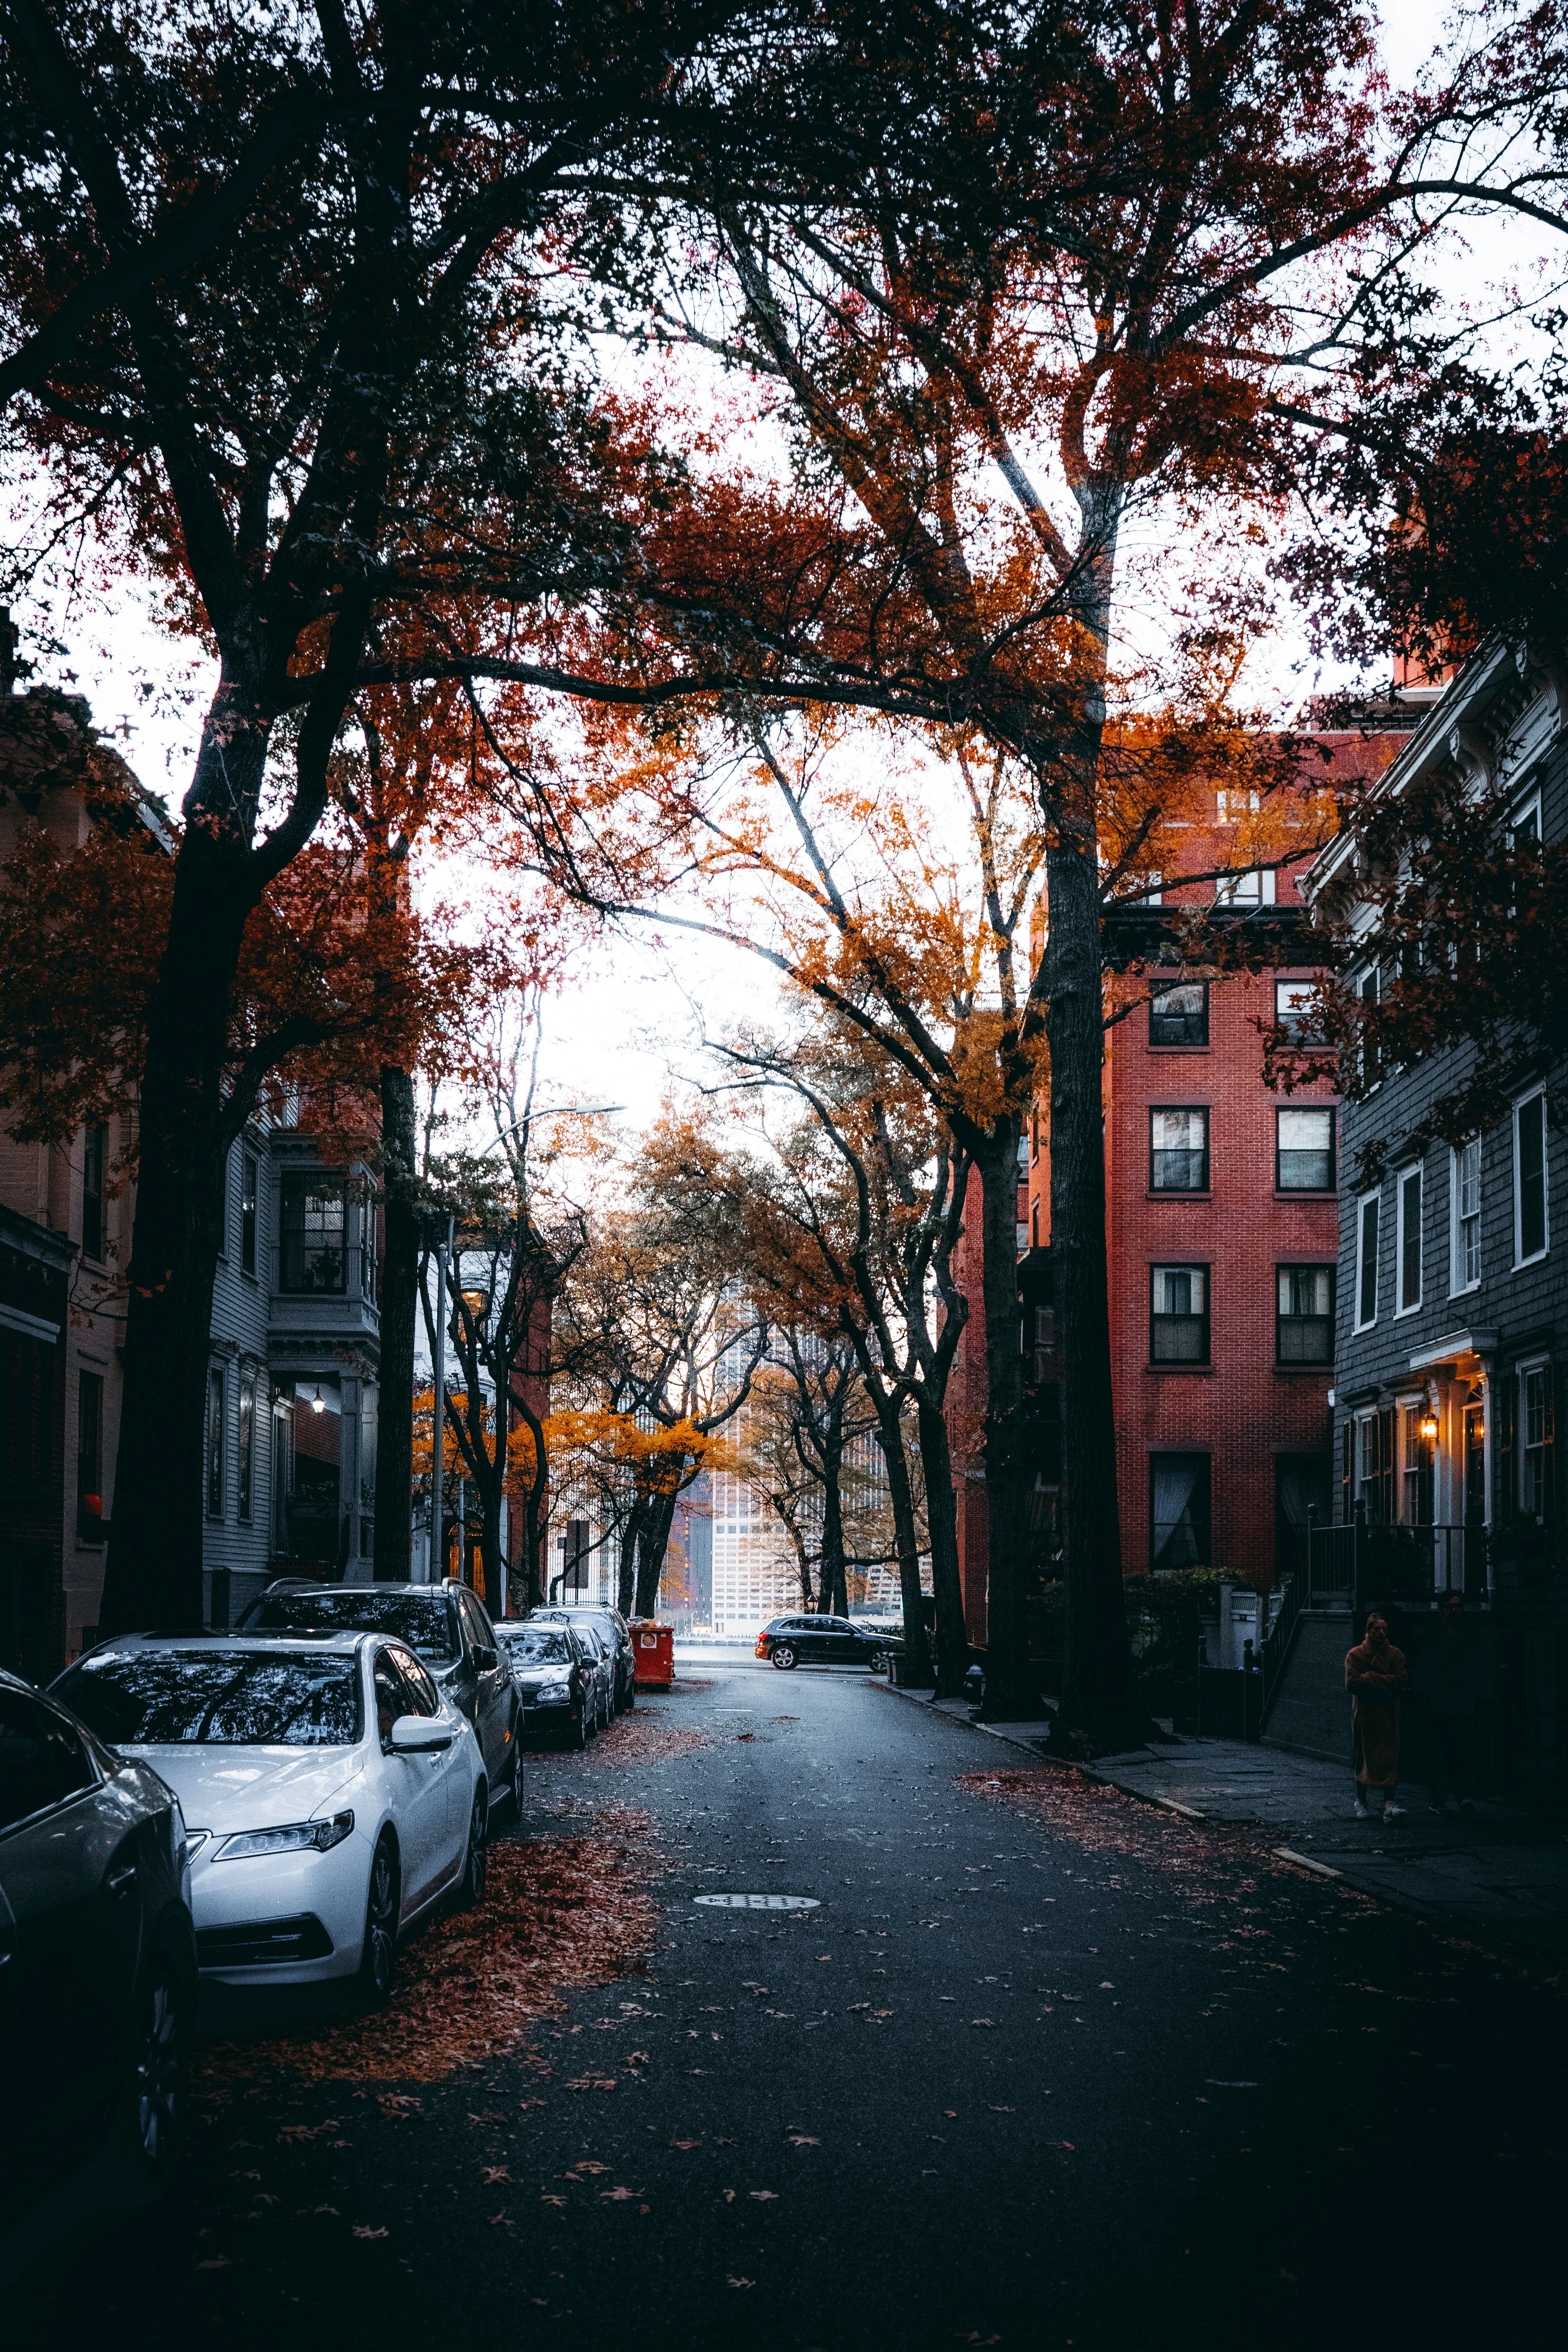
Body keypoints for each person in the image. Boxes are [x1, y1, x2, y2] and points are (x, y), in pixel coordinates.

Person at [1411, 1590, 1483, 1813]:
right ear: (1442, 1609)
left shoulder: (1470, 1634)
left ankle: (1459, 1796)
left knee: (1461, 1748)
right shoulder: (1430, 1634)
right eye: (1450, 1607)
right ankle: (1443, 1797)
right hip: (1439, 1700)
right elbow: (1421, 1666)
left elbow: (1478, 1665)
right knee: (1442, 1748)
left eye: (1458, 1607)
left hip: (1463, 1699)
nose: (1454, 1611)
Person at [1345, 1609, 1408, 1820]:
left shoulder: (1396, 1654)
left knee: (1390, 1755)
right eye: (1377, 1628)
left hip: (1389, 1713)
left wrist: (1370, 1678)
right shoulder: (1356, 1655)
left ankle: (1390, 1804)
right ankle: (1361, 1801)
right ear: (1369, 1630)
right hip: (1366, 1714)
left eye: (1385, 1628)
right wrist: (1381, 1680)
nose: (1382, 1632)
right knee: (1363, 1755)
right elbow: (1353, 1683)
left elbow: (1400, 1681)